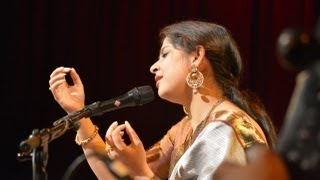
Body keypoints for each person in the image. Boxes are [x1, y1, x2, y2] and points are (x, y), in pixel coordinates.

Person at [49, 20, 277, 179]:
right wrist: (77, 112)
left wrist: (142, 172)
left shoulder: (227, 128)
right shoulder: (185, 129)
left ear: (197, 57)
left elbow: (138, 176)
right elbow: (119, 177)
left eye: (165, 54)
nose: (153, 67)